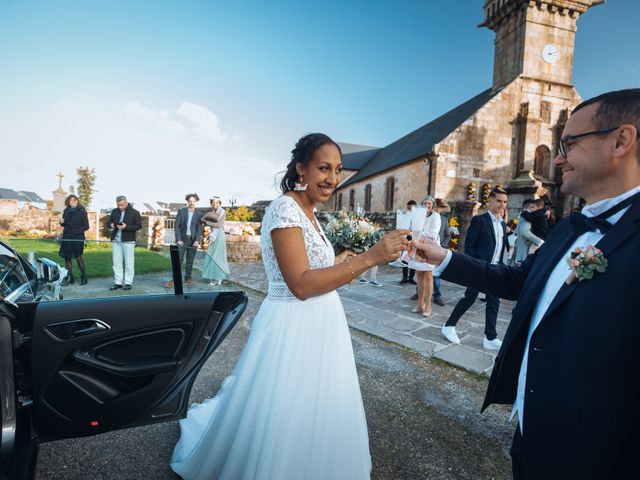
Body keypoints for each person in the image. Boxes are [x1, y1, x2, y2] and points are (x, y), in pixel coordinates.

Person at [413, 89, 640, 479]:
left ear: (621, 140)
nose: (557, 158)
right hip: (531, 431)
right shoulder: (569, 226)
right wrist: (444, 258)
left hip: (601, 456)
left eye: (569, 143)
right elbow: (519, 280)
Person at [170, 133, 409, 480]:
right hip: (293, 326)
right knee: (285, 413)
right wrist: (371, 258)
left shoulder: (308, 212)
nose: (332, 178)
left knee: (316, 408)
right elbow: (298, 284)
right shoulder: (284, 209)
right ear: (301, 168)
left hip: (321, 324)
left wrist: (342, 260)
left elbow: (313, 268)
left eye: (338, 170)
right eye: (323, 168)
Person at [441, 187, 508, 349]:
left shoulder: (503, 225)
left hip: (495, 269)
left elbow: (501, 248)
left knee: (494, 302)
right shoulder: (480, 220)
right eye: (498, 201)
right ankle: (449, 326)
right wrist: (472, 267)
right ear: (490, 201)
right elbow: (469, 245)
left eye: (505, 202)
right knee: (469, 298)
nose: (502, 205)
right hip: (479, 268)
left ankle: (490, 338)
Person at [406, 196, 440, 317]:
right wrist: (414, 232)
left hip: (429, 248)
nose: (427, 205)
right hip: (417, 248)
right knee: (419, 275)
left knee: (429, 277)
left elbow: (432, 233)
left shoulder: (436, 216)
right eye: (425, 203)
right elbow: (411, 229)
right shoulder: (417, 215)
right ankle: (420, 304)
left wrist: (417, 232)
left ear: (433, 205)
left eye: (429, 203)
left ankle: (428, 306)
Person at [166, 194, 203, 287]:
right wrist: (178, 239)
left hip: (193, 240)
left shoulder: (199, 214)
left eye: (194, 201)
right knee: (178, 260)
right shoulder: (181, 211)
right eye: (190, 201)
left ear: (196, 202)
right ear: (187, 201)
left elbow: (199, 228)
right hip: (182, 239)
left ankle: (188, 278)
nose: (192, 203)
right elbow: (177, 226)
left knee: (190, 261)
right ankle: (174, 280)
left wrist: (197, 240)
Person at [108, 195, 141, 291]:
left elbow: (138, 226)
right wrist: (112, 225)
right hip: (116, 240)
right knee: (116, 262)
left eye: (122, 205)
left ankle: (128, 282)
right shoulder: (114, 211)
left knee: (129, 263)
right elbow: (108, 223)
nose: (120, 207)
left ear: (126, 202)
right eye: (118, 205)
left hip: (128, 240)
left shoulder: (135, 212)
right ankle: (118, 282)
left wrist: (126, 227)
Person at [58, 194, 90, 285]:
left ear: (77, 201)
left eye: (74, 200)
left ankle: (84, 277)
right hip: (67, 236)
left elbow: (86, 226)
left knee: (78, 257)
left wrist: (76, 231)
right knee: (67, 257)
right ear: (68, 201)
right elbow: (65, 224)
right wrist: (61, 222)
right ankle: (69, 277)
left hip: (77, 237)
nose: (73, 202)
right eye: (71, 200)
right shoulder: (66, 211)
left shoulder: (82, 211)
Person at [201, 197, 230, 286]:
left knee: (218, 256)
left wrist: (206, 222)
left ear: (220, 204)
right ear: (211, 204)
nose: (215, 204)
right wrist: (203, 220)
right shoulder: (211, 213)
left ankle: (218, 278)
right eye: (213, 203)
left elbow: (219, 225)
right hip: (213, 234)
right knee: (212, 255)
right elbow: (203, 220)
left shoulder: (222, 212)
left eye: (217, 203)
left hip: (219, 235)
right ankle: (215, 276)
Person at [510, 199, 545, 266]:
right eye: (533, 207)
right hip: (525, 252)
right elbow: (524, 232)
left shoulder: (523, 216)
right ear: (529, 207)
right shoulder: (527, 216)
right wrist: (540, 242)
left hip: (523, 251)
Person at [431, 198, 451, 306]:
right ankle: (419, 293)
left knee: (436, 274)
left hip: (438, 249)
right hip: (427, 248)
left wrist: (443, 245)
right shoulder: (428, 217)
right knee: (422, 272)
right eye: (438, 206)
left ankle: (437, 296)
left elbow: (448, 235)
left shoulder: (444, 219)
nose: (439, 209)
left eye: (441, 207)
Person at [400, 200, 417, 284]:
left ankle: (411, 278)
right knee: (404, 259)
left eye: (413, 206)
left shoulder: (417, 216)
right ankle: (404, 277)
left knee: (413, 258)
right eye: (409, 206)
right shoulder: (405, 215)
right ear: (407, 206)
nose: (411, 208)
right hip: (406, 239)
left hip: (414, 239)